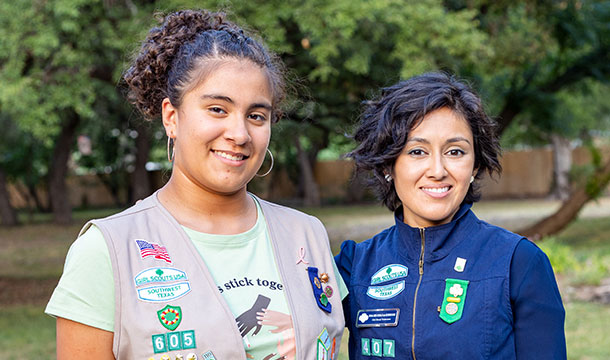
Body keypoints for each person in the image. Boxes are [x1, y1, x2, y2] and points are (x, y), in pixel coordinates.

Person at [46, 9, 346, 360]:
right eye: (218, 109)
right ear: (172, 117)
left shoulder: (306, 235)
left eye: (256, 116)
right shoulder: (107, 251)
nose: (239, 134)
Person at [335, 72, 566, 359]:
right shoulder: (354, 266)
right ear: (387, 165)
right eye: (417, 151)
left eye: (455, 151)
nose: (438, 170)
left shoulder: (519, 263)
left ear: (474, 166)